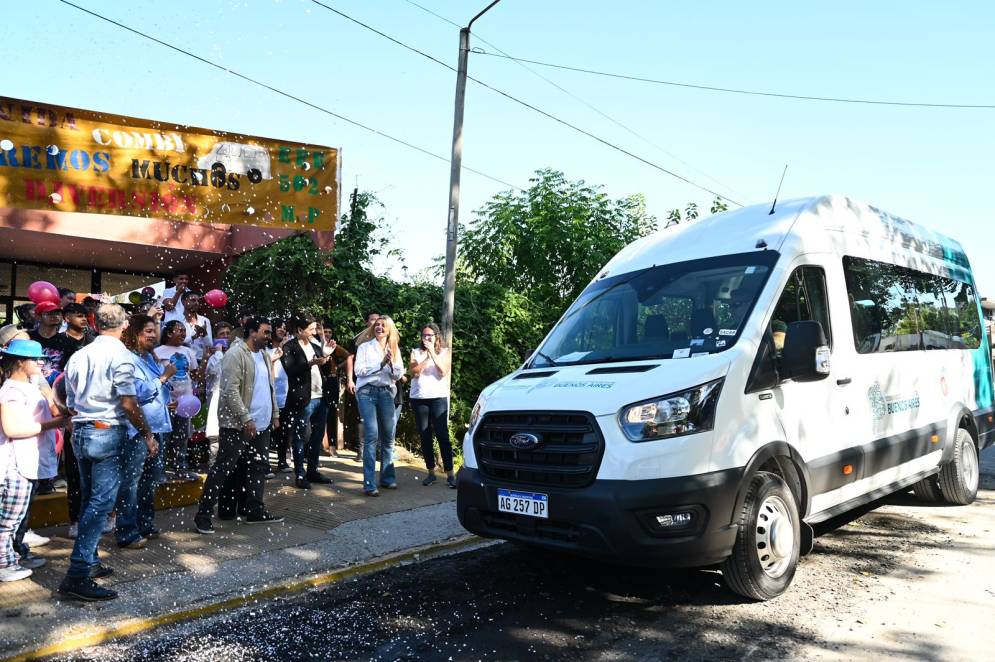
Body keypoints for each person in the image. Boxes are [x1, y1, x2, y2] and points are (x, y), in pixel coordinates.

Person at [60, 304, 158, 601]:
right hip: (105, 431)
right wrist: (146, 432)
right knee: (100, 505)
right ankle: (77, 573)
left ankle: (88, 562)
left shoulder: (79, 355)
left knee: (92, 499)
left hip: (83, 430)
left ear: (95, 323)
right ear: (125, 324)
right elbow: (128, 403)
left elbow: (69, 397)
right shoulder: (121, 356)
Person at [194, 317, 284, 534]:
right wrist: (246, 418)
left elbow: (268, 386)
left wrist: (275, 414)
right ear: (252, 332)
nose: (268, 336)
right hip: (238, 424)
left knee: (258, 468)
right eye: (265, 332)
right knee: (223, 469)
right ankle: (203, 514)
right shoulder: (235, 354)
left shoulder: (263, 354)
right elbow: (230, 390)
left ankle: (254, 510)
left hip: (262, 423)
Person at [0, 340, 68, 581]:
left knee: (17, 518)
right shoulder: (12, 391)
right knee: (8, 520)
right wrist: (52, 424)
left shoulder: (31, 386)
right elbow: (12, 429)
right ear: (20, 362)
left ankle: (14, 557)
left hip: (28, 461)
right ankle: (4, 564)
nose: (42, 363)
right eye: (36, 359)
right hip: (15, 464)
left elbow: (55, 410)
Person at [116, 315, 174, 548]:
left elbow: (157, 391)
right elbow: (137, 394)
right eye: (147, 331)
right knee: (131, 481)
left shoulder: (148, 357)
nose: (153, 335)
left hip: (158, 427)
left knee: (150, 481)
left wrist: (166, 398)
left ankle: (145, 524)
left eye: (154, 330)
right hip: (137, 431)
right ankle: (127, 531)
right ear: (135, 333)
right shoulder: (128, 360)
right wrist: (164, 377)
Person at [354, 316, 403, 496]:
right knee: (372, 435)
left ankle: (387, 479)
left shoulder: (394, 349)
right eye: (377, 325)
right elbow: (358, 371)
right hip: (366, 392)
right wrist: (380, 364)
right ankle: (369, 483)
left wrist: (390, 365)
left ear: (389, 330)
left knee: (389, 436)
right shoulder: (364, 347)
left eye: (383, 325)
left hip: (385, 393)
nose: (379, 327)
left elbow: (398, 375)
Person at [281, 316, 332, 489]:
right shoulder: (289, 347)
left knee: (317, 436)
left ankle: (313, 470)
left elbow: (324, 369)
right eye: (310, 329)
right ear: (299, 330)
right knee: (300, 436)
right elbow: (290, 370)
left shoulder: (315, 345)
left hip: (321, 396)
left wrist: (326, 358)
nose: (314, 332)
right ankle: (300, 474)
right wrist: (309, 363)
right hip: (303, 398)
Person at [409, 323, 455, 488]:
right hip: (419, 398)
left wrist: (433, 354)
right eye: (424, 335)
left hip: (438, 399)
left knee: (443, 436)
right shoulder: (415, 352)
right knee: (425, 436)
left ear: (436, 336)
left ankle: (450, 474)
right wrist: (427, 357)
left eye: (430, 335)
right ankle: (430, 473)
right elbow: (414, 372)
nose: (426, 338)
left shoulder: (445, 352)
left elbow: (443, 371)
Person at [154, 321, 199, 480]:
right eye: (179, 330)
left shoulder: (188, 351)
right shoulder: (157, 352)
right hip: (166, 403)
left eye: (183, 331)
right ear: (168, 333)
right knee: (163, 438)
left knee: (182, 437)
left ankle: (181, 468)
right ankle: (160, 471)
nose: (183, 333)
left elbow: (193, 374)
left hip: (185, 403)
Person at [268, 319, 291, 473]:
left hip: (285, 396)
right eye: (279, 328)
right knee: (267, 432)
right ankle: (264, 464)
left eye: (284, 328)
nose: (282, 331)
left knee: (283, 431)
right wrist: (276, 355)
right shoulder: (264, 349)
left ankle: (282, 461)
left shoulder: (288, 349)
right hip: (268, 396)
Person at [180, 292, 213, 363]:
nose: (196, 303)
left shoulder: (205, 320)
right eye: (193, 300)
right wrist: (194, 336)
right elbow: (176, 342)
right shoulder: (177, 321)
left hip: (201, 362)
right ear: (183, 302)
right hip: (183, 362)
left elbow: (209, 345)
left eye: (198, 301)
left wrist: (204, 335)